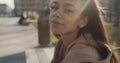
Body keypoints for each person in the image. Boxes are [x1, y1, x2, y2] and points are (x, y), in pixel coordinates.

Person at [49, 0, 119, 63]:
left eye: (68, 10)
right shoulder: (62, 46)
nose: (56, 14)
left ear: (83, 21)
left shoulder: (86, 57)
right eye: (54, 7)